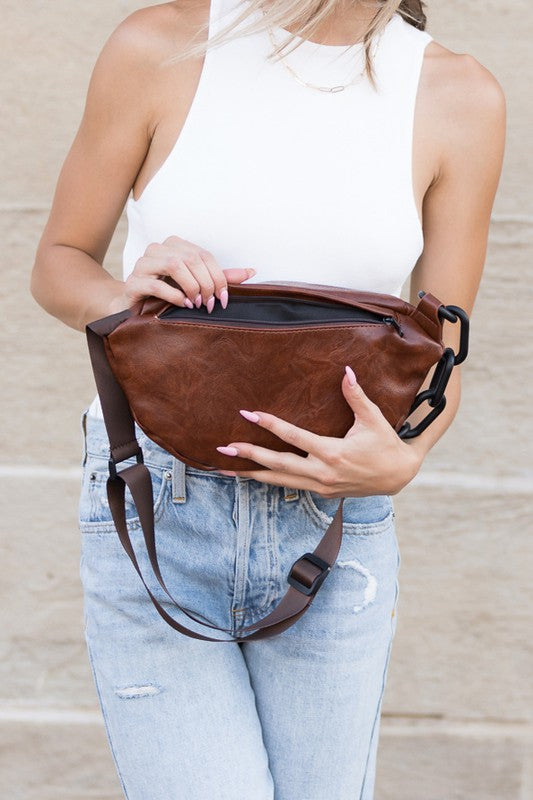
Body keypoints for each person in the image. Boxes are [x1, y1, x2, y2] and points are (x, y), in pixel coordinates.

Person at [30, 0, 506, 797]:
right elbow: (59, 261)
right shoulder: (163, 45)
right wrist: (121, 295)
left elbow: (444, 347)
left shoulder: (457, 95)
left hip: (332, 526)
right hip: (159, 504)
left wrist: (404, 458)